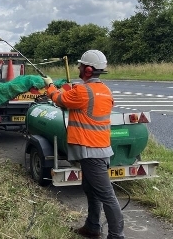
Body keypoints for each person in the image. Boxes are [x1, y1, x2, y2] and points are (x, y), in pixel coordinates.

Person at [42, 50, 124, 239]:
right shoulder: (104, 90)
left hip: (91, 151)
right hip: (100, 148)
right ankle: (92, 227)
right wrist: (71, 89)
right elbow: (83, 101)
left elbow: (58, 99)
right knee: (91, 189)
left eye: (80, 65)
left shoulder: (83, 91)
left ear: (87, 70)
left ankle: (117, 235)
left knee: (107, 196)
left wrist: (50, 85)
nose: (78, 67)